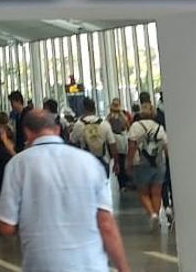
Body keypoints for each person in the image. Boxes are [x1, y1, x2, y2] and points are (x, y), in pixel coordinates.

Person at [0, 110, 131, 272]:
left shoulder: (17, 165)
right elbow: (106, 224)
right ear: (57, 130)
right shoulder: (88, 162)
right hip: (90, 265)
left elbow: (6, 227)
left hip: (43, 265)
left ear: (27, 132)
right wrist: (124, 269)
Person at [127, 103, 168, 231]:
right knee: (156, 193)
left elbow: (132, 146)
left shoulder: (135, 127)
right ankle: (156, 219)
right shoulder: (159, 128)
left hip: (142, 163)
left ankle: (152, 215)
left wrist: (128, 162)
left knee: (143, 192)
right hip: (159, 163)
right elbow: (166, 146)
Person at [70, 99, 117, 178]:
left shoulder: (78, 125)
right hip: (103, 160)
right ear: (95, 108)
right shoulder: (104, 124)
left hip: (85, 162)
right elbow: (112, 144)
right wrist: (116, 162)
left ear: (83, 109)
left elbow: (73, 141)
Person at [107, 99, 132, 189]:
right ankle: (122, 182)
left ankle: (125, 180)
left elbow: (127, 125)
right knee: (119, 161)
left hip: (121, 139)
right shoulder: (110, 116)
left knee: (123, 160)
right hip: (116, 139)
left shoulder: (123, 115)